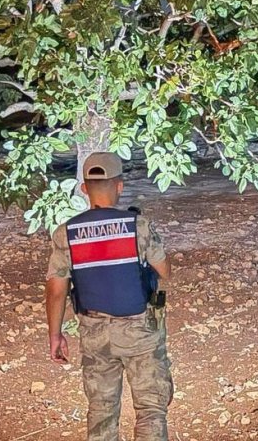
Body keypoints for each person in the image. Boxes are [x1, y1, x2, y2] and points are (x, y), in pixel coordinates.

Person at [45, 152, 173, 441]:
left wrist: (55, 334)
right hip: (140, 331)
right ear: (120, 186)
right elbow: (164, 270)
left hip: (94, 334)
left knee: (101, 411)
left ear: (84, 188)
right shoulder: (137, 226)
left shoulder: (66, 233)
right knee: (151, 410)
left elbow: (56, 289)